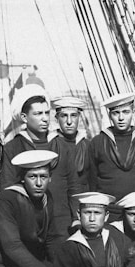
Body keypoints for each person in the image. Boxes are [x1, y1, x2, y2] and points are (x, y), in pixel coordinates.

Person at [87, 92, 135, 222]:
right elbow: (92, 180)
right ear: (110, 115)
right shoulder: (98, 142)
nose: (121, 118)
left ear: (133, 113)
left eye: (126, 112)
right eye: (116, 113)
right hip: (109, 212)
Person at [46, 96, 86, 234]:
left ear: (79, 117)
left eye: (73, 116)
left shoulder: (88, 145)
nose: (69, 121)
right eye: (64, 116)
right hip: (59, 212)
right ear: (57, 118)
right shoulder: (50, 145)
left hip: (85, 211)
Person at [0, 85, 50, 189]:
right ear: (24, 117)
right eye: (38, 114)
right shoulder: (12, 148)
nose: (45, 118)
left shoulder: (60, 145)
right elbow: (8, 188)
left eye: (47, 113)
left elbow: (73, 186)